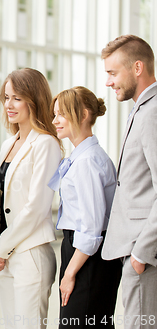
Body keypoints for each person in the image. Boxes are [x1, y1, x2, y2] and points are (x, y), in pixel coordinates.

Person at [0, 68, 61, 329]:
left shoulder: (46, 144)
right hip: (5, 254)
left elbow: (37, 208)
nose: (9, 105)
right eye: (6, 97)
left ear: (34, 99)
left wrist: (1, 246)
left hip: (30, 255)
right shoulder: (9, 144)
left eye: (17, 98)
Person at [48, 86, 122, 328]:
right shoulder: (85, 156)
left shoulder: (87, 161)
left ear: (83, 115)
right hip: (86, 252)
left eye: (61, 114)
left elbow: (91, 229)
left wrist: (70, 274)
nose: (54, 121)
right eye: (54, 114)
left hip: (87, 256)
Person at [101, 34, 157, 329]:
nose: (108, 82)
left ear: (137, 68)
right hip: (135, 249)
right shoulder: (141, 109)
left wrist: (141, 252)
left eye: (112, 73)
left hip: (144, 251)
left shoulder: (152, 113)